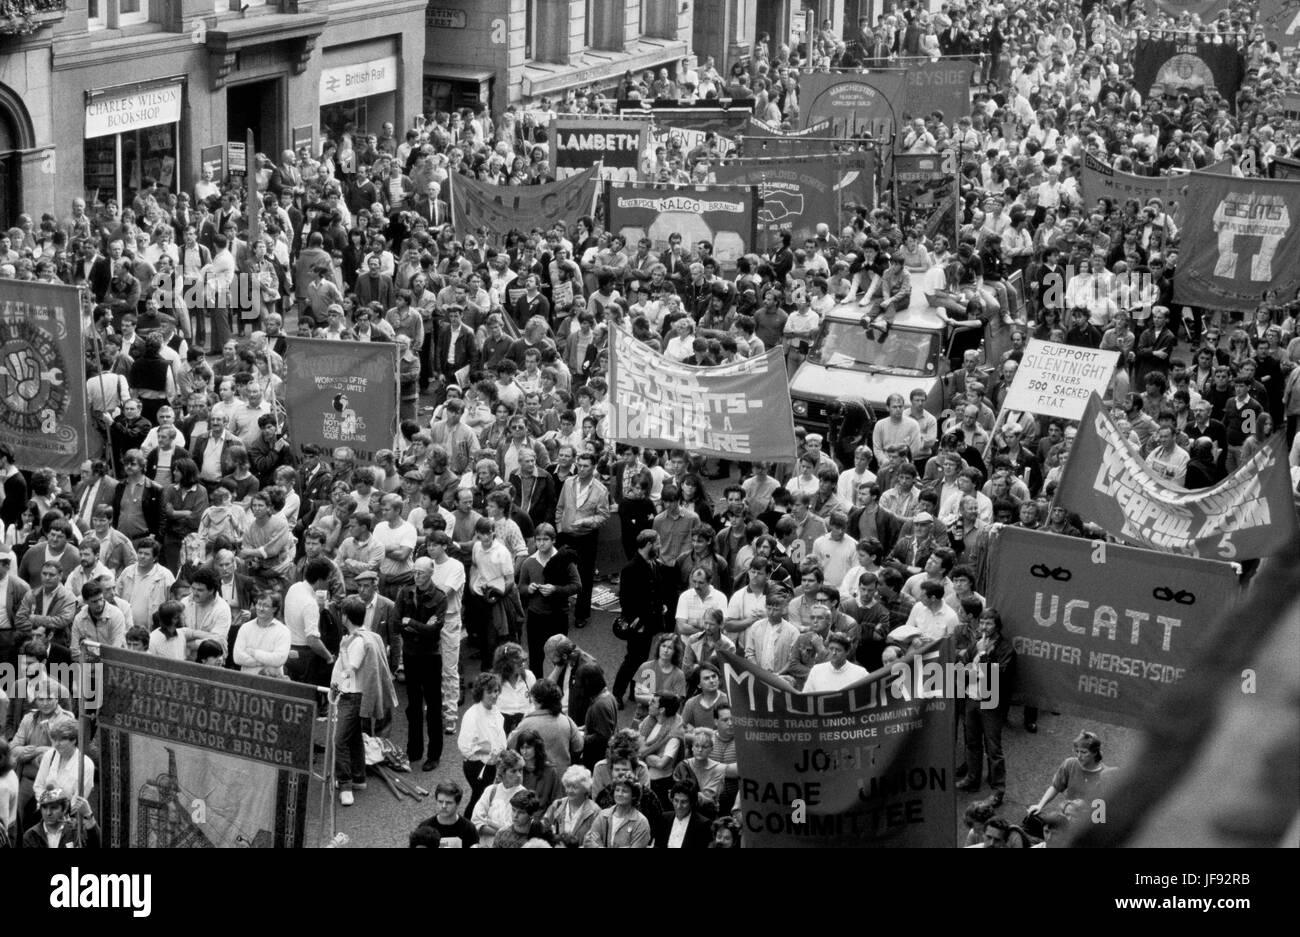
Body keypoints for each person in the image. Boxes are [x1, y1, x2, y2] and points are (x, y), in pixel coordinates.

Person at [955, 608, 1016, 806]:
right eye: (982, 622)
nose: (984, 626)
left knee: (993, 748)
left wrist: (982, 656)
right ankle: (972, 778)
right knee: (971, 741)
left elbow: (1001, 675)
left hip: (991, 700)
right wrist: (975, 669)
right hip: (972, 697)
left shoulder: (1006, 648)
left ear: (997, 626)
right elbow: (961, 666)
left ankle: (998, 789)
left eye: (988, 623)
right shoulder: (976, 643)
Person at [395, 557, 448, 771]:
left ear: (431, 573)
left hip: (430, 656)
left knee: (434, 707)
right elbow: (397, 623)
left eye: (421, 573)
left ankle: (434, 755)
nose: (416, 577)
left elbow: (434, 630)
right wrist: (420, 626)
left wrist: (411, 623)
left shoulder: (440, 597)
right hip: (410, 654)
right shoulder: (404, 593)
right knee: (414, 705)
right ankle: (414, 750)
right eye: (415, 572)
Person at [555, 452, 610, 628]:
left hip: (587, 537)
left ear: (593, 468)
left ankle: (581, 614)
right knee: (561, 573)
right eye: (579, 465)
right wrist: (559, 528)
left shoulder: (601, 490)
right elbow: (560, 508)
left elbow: (603, 515)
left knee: (585, 577)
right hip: (566, 535)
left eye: (586, 466)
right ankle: (560, 608)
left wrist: (587, 521)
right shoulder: (568, 482)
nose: (581, 469)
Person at [1026, 730, 1117, 836]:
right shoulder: (1070, 764)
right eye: (1077, 751)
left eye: (1083, 752)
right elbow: (1056, 786)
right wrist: (1040, 805)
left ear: (1095, 753)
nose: (1079, 756)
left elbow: (1100, 815)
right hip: (1066, 817)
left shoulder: (1105, 776)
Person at [507, 679, 584, 773]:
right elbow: (579, 746)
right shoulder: (566, 720)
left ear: (537, 699)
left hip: (535, 779)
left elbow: (510, 744)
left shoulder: (527, 723)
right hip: (562, 778)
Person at [458, 672, 507, 812]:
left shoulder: (495, 710)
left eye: (496, 691)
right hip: (476, 765)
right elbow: (466, 747)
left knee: (483, 797)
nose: (494, 695)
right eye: (489, 692)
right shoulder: (472, 715)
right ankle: (468, 824)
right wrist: (489, 751)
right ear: (481, 692)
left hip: (491, 763)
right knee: (480, 797)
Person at [470, 748, 529, 844]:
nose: (519, 775)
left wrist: (489, 822)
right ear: (503, 773)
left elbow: (518, 830)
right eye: (513, 771)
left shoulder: (524, 794)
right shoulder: (491, 791)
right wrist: (502, 830)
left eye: (520, 770)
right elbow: (476, 821)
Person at [22, 785, 100, 849]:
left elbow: (99, 844)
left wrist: (89, 816)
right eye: (44, 808)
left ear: (64, 809)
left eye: (54, 808)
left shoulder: (76, 830)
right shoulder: (31, 835)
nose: (48, 813)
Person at [583, 777, 652, 848]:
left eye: (624, 791)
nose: (619, 794)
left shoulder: (641, 822)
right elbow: (588, 843)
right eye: (617, 790)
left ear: (634, 796)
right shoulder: (603, 815)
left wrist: (599, 846)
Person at [541, 764, 600, 842]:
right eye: (568, 786)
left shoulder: (594, 811)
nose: (570, 791)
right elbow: (543, 828)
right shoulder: (557, 804)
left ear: (585, 788)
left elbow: (595, 841)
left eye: (575, 787)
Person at [413, 781, 478, 848]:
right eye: (440, 802)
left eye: (448, 802)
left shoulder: (469, 829)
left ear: (458, 804)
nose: (443, 806)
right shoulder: (424, 827)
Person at [801, 631, 868, 693]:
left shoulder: (860, 673)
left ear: (847, 651)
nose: (833, 653)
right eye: (831, 649)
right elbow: (806, 697)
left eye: (838, 650)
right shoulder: (816, 670)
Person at [657, 779, 712, 849]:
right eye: (676, 801)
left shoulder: (703, 824)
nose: (678, 806)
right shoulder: (664, 818)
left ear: (692, 802)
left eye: (684, 802)